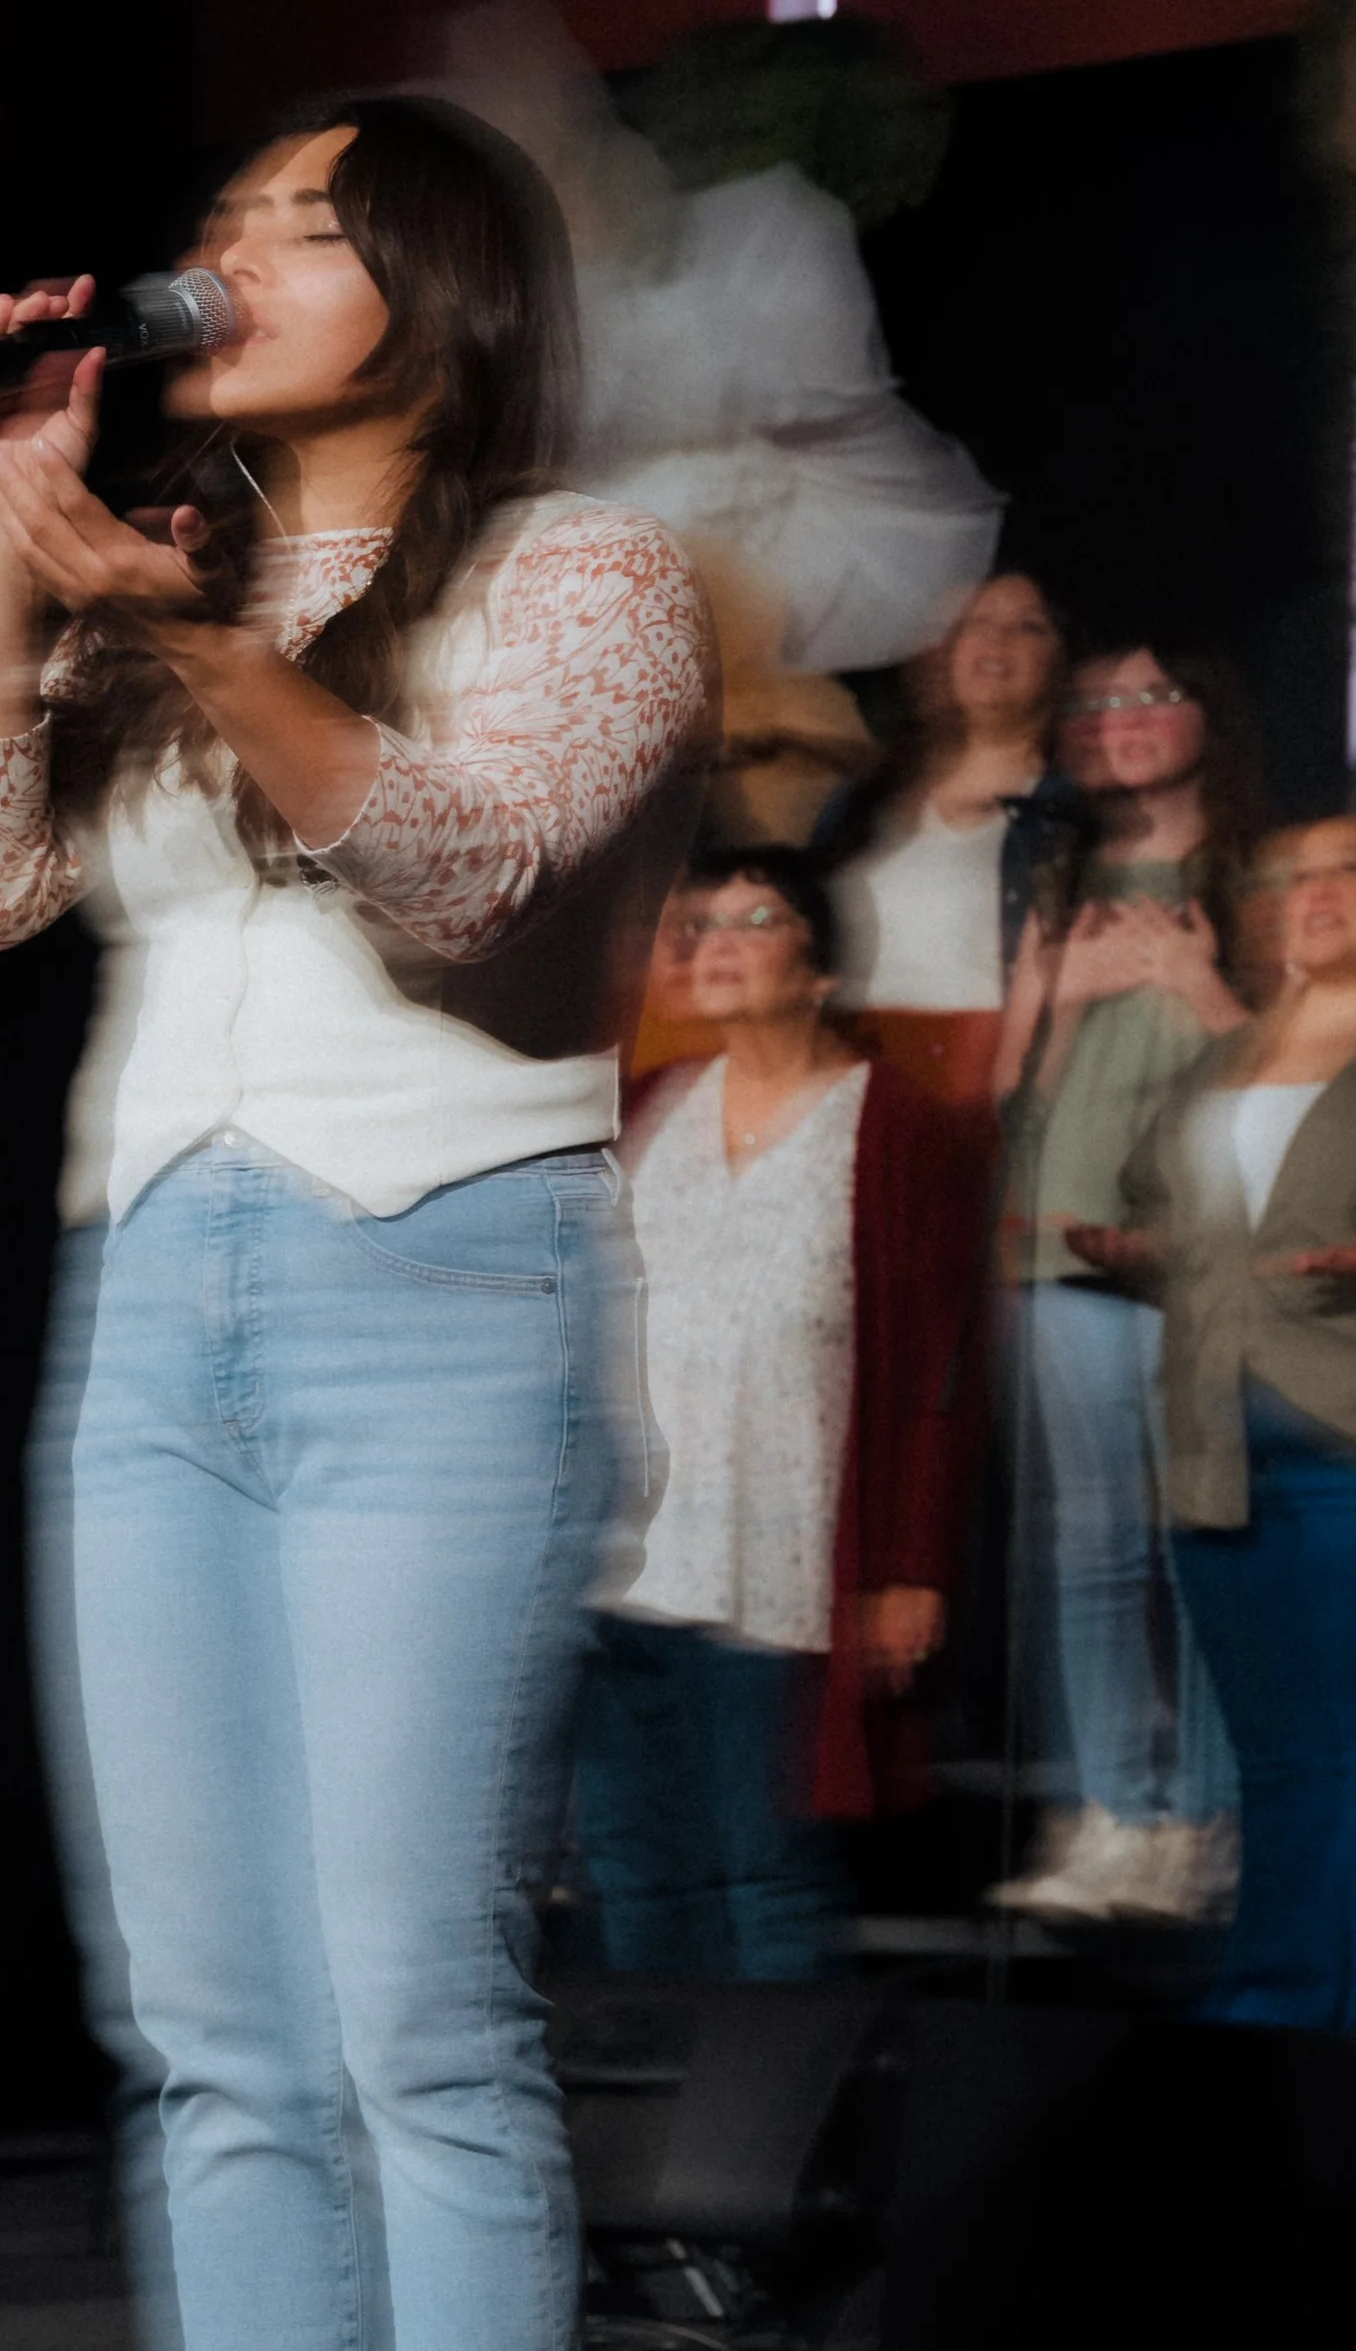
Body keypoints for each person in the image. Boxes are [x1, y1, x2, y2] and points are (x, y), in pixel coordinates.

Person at [0, 93, 714, 2351]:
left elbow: (457, 858)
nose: (225, 254)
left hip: (443, 1285)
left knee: (407, 2006)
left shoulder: (580, 569)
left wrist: (206, 629)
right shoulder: (143, 570)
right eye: (219, 217)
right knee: (203, 2020)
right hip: (156, 1308)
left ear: (438, 286)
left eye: (295, 223)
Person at [574, 845, 991, 1978]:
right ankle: (657, 2128)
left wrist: (909, 1566)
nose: (709, 942)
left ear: (819, 972)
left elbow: (937, 1369)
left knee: (767, 1871)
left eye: (747, 919)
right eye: (693, 922)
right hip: (621, 1559)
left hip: (782, 1561)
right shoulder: (651, 1104)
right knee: (631, 1863)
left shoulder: (891, 1127)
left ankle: (772, 2133)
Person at [988, 645, 1260, 1923]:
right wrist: (1066, 985)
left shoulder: (1256, 879)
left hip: (1209, 1262)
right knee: (1090, 1545)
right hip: (1059, 1240)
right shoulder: (1056, 882)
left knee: (1196, 1534)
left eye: (1153, 694)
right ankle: (1114, 1812)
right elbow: (997, 1098)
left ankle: (1203, 1818)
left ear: (1207, 713)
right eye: (1096, 704)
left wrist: (1196, 985)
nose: (1123, 721)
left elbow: (1308, 1078)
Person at [1076, 818, 1356, 2028]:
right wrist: (1133, 1250)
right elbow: (1159, 1208)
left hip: (1343, 1442)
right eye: (1291, 873)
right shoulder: (1221, 1062)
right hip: (1215, 1452)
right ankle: (1281, 2010)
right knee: (1284, 1763)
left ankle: (1285, 2012)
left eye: (1347, 869)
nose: (1316, 892)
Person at [818, 570, 1073, 1112]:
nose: (995, 641)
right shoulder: (867, 794)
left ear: (1059, 659)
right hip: (841, 1068)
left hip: (975, 1078)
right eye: (976, 623)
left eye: (1027, 627)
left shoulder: (1064, 809)